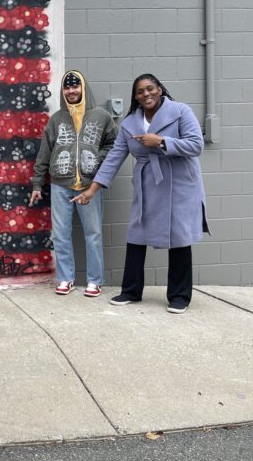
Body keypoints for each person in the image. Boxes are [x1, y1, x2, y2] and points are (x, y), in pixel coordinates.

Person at [72, 74, 208, 314]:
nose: (146, 94)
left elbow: (196, 145)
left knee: (179, 237)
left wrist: (162, 141)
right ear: (135, 97)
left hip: (180, 183)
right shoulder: (129, 123)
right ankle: (131, 291)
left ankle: (179, 296)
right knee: (136, 235)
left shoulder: (180, 111)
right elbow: (114, 158)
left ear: (160, 89)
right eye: (140, 91)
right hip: (148, 184)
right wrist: (92, 190)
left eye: (150, 89)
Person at [30, 70, 116, 297]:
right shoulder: (56, 119)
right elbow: (44, 154)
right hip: (60, 184)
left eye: (75, 86)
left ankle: (95, 280)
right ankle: (65, 278)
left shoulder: (101, 116)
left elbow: (114, 145)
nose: (71, 91)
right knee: (60, 233)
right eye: (67, 87)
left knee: (93, 233)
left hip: (90, 184)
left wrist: (97, 158)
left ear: (83, 87)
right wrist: (38, 184)